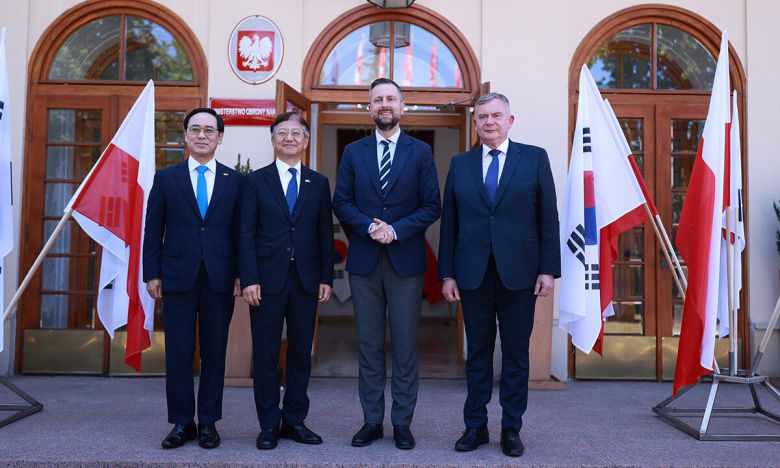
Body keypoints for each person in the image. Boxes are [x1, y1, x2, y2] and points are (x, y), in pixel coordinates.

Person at [438, 93, 560, 457]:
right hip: (472, 275)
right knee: (476, 353)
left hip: (520, 275)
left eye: (495, 115)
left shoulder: (535, 158)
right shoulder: (460, 165)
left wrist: (549, 270)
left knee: (516, 354)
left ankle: (511, 428)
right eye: (482, 117)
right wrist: (447, 274)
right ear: (475, 124)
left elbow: (548, 218)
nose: (488, 122)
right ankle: (474, 426)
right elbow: (450, 224)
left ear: (511, 120)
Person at [333, 77, 441, 450]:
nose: (384, 104)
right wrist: (369, 228)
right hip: (364, 262)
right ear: (369, 107)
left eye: (391, 99)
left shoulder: (421, 152)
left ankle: (402, 422)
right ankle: (371, 421)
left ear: (402, 106)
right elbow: (342, 201)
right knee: (369, 346)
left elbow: (432, 205)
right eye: (377, 99)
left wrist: (395, 231)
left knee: (407, 347)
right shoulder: (353, 152)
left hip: (405, 263)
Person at [143, 108, 242, 449]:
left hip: (221, 278)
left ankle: (209, 423)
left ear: (219, 138)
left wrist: (243, 274)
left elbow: (241, 233)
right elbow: (153, 228)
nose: (202, 135)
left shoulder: (235, 181)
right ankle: (182, 422)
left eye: (209, 130)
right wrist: (151, 273)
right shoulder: (166, 179)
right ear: (185, 136)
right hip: (177, 277)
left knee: (215, 352)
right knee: (179, 352)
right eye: (195, 129)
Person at [239, 111, 334, 450]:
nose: (289, 138)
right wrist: (248, 278)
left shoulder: (318, 183)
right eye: (282, 133)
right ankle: (268, 424)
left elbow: (324, 233)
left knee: (299, 354)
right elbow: (245, 233)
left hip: (307, 281)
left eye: (296, 133)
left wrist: (326, 276)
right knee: (265, 354)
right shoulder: (254, 181)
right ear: (273, 140)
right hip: (265, 282)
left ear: (306, 141)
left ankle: (294, 420)